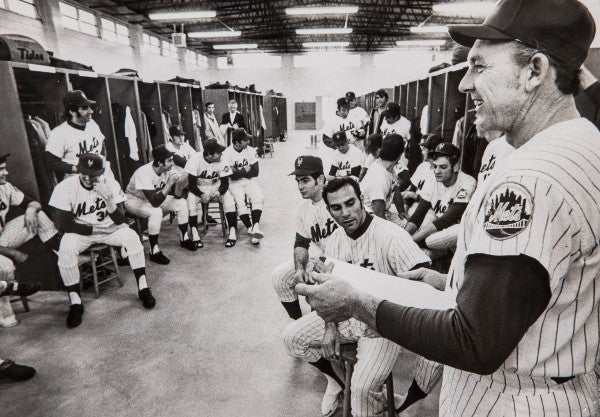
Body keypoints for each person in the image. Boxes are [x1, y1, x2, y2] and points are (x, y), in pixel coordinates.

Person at [296, 0, 600, 415]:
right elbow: (542, 287)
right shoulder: (585, 141)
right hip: (560, 381)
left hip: (513, 398)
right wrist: (448, 286)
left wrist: (357, 304)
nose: (463, 86)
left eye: (479, 66)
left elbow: (475, 340)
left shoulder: (529, 178)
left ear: (535, 71)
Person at [284, 177, 430, 417]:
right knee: (292, 338)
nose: (345, 213)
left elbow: (423, 284)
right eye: (336, 208)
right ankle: (341, 383)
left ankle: (366, 398)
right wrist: (330, 327)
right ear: (329, 210)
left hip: (383, 324)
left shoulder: (391, 236)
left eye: (350, 203)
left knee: (362, 397)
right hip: (345, 317)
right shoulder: (334, 241)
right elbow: (325, 290)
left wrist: (391, 320)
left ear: (362, 201)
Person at [50, 153, 156, 328]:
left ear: (101, 172)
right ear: (78, 169)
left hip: (109, 229)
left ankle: (143, 287)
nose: (87, 177)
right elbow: (67, 226)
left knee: (133, 238)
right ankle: (75, 302)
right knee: (66, 248)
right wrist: (99, 229)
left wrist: (108, 198)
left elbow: (121, 220)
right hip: (81, 232)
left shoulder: (110, 184)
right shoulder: (65, 187)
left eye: (93, 174)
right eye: (84, 172)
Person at [272, 155, 337, 319]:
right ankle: (297, 322)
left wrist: (316, 267)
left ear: (320, 179)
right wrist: (300, 268)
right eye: (298, 181)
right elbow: (301, 243)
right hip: (320, 257)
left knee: (316, 290)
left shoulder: (337, 200)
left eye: (305, 180)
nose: (300, 186)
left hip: (342, 260)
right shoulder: (303, 208)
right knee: (280, 277)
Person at [0, 153, 59, 326]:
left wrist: (30, 210)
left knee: (38, 215)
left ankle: (61, 254)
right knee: (5, 265)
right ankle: (5, 313)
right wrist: (12, 252)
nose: (6, 173)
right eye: (1, 170)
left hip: (2, 237)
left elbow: (33, 203)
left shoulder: (5, 187)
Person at [124, 144, 197, 265]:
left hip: (152, 197)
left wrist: (180, 184)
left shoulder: (166, 170)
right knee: (156, 212)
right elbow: (155, 202)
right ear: (159, 163)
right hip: (133, 200)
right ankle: (154, 251)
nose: (172, 163)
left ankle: (184, 239)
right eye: (169, 161)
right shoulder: (143, 172)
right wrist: (169, 184)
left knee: (182, 203)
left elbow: (177, 196)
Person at [404, 143, 476, 251]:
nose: (437, 171)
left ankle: (441, 254)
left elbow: (448, 219)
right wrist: (402, 238)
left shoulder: (467, 182)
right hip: (441, 228)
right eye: (435, 166)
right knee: (417, 231)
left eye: (443, 167)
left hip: (461, 229)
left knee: (431, 239)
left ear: (455, 166)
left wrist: (412, 240)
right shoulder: (432, 180)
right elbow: (418, 215)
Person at [45, 90, 115, 182]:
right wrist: (77, 169)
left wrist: (102, 159)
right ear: (72, 112)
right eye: (85, 108)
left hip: (101, 173)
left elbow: (102, 143)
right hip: (78, 179)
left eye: (90, 107)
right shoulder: (59, 133)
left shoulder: (92, 124)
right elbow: (51, 162)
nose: (91, 111)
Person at [184, 139, 236, 248]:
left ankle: (232, 233)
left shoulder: (222, 159)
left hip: (217, 186)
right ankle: (194, 233)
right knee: (191, 200)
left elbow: (225, 184)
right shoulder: (194, 160)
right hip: (199, 187)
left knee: (229, 199)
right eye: (218, 152)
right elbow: (191, 185)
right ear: (209, 155)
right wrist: (201, 194)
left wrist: (219, 192)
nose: (221, 154)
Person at [166, 124, 211, 247]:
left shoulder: (185, 145)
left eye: (182, 135)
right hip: (174, 181)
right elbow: (181, 161)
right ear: (171, 137)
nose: (181, 138)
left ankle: (204, 215)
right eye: (177, 136)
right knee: (196, 180)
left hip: (187, 177)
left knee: (201, 182)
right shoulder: (168, 147)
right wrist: (196, 164)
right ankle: (194, 224)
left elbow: (197, 156)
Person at [222, 129, 264, 246]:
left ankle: (255, 226)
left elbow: (256, 172)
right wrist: (246, 169)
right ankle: (250, 228)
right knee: (240, 202)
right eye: (245, 140)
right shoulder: (227, 153)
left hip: (249, 180)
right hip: (234, 183)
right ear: (237, 142)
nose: (248, 142)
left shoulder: (250, 150)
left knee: (258, 196)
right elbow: (232, 176)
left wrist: (239, 172)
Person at [360, 135, 405, 222]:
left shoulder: (386, 166)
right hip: (369, 219)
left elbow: (395, 190)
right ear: (399, 156)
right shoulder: (380, 178)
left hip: (382, 212)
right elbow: (378, 216)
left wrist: (402, 211)